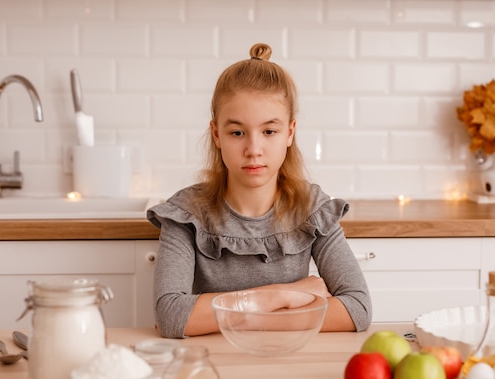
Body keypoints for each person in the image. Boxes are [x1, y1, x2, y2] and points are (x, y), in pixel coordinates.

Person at [147, 43, 372, 338]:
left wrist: (241, 316)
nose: (253, 150)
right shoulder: (186, 212)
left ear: (289, 133)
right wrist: (281, 296)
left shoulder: (313, 208)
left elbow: (357, 309)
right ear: (217, 134)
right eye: (237, 132)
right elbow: (172, 316)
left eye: (269, 131)